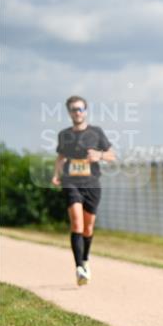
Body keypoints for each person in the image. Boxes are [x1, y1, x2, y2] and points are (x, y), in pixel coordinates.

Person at [51, 95, 116, 286]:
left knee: (88, 227)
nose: (77, 112)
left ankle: (85, 260)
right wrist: (56, 174)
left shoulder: (96, 132)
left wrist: (100, 155)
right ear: (69, 112)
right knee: (77, 224)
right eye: (73, 109)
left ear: (85, 111)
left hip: (92, 184)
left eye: (80, 109)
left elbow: (113, 156)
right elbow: (61, 157)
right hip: (71, 182)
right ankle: (79, 268)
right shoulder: (64, 135)